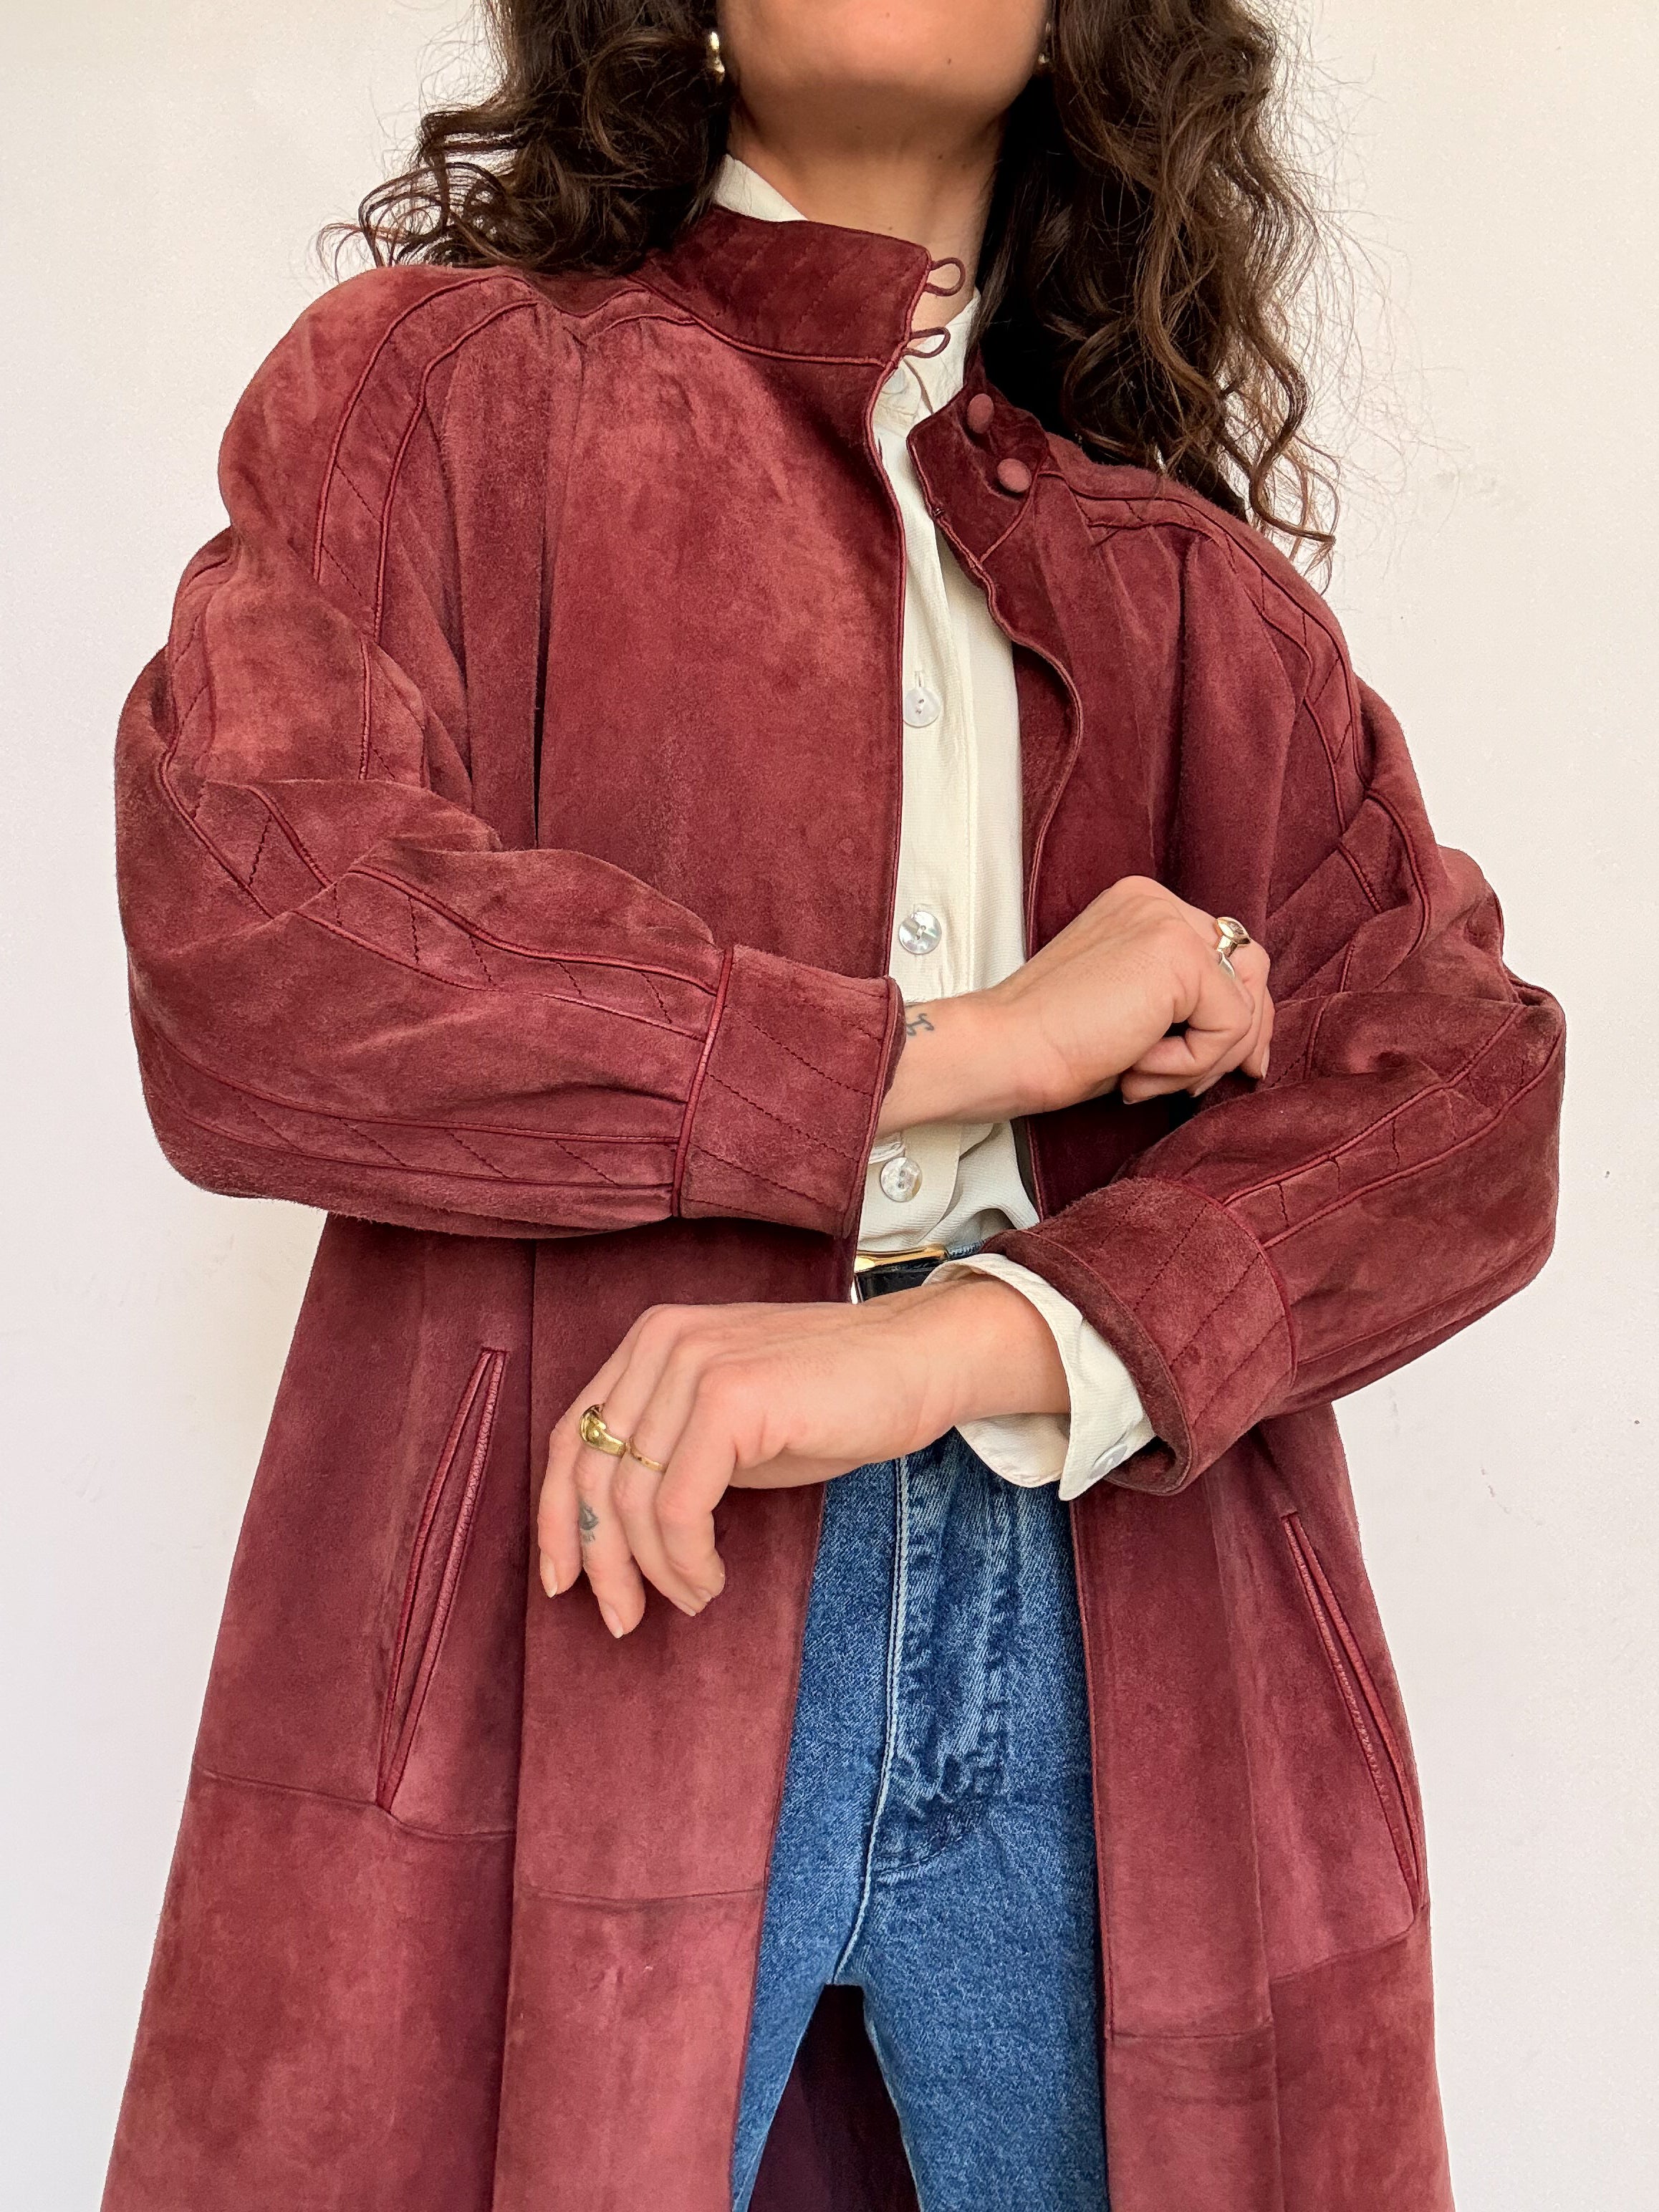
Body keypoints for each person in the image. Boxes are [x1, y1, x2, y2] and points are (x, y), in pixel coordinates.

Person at [102, 4, 1565, 2209]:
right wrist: (968, 1049)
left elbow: (1462, 1089)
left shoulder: (1195, 595)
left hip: (1126, 1634)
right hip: (585, 1577)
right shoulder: (446, 395)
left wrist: (950, 1347)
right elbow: (259, 941)